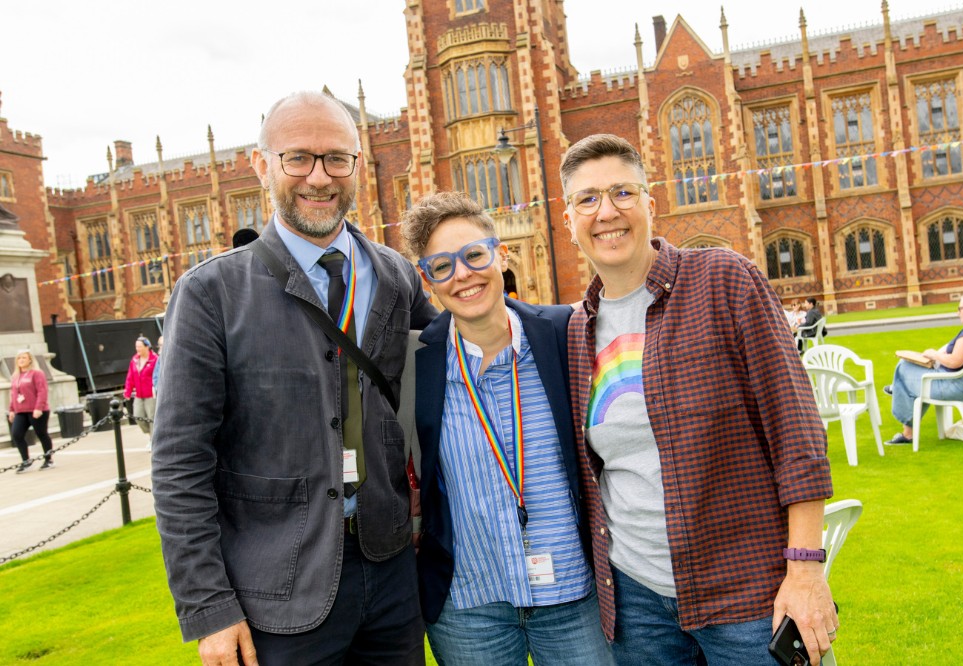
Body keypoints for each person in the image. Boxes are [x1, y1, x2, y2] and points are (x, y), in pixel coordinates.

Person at [152, 90, 437, 666]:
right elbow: (180, 461)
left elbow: (451, 379)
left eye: (336, 158)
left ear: (358, 163)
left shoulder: (397, 276)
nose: (319, 176)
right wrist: (210, 607)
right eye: (298, 158)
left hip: (391, 577)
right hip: (275, 593)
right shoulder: (211, 293)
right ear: (262, 166)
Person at [559, 134, 837, 666]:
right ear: (569, 219)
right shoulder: (577, 330)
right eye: (588, 199)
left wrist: (804, 570)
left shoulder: (723, 280)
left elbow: (797, 434)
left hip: (747, 592)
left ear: (650, 203)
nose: (607, 212)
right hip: (637, 602)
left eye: (623, 192)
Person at [400, 192, 611, 665]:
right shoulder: (413, 363)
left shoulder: (565, 332)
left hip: (575, 596)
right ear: (427, 280)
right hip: (470, 608)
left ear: (501, 253)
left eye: (474, 255)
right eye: (442, 266)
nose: (462, 275)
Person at [884, 291, 963, 445]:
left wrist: (934, 354)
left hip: (954, 386)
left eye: (960, 308)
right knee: (913, 377)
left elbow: (955, 362)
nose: (957, 312)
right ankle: (898, 395)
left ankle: (907, 431)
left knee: (903, 366)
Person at [7, 349, 55, 472]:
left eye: (24, 358)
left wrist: (38, 407)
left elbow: (42, 391)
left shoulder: (37, 373)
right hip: (21, 411)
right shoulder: (16, 376)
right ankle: (26, 461)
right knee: (17, 434)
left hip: (37, 410)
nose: (21, 360)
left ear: (30, 360)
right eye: (19, 358)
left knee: (41, 434)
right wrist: (12, 410)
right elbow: (13, 394)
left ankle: (48, 459)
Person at [123, 337, 158, 442]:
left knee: (152, 417)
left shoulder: (155, 359)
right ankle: (150, 434)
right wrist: (127, 391)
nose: (137, 348)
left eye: (140, 346)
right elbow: (130, 377)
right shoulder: (134, 360)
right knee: (138, 416)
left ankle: (153, 440)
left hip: (151, 394)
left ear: (147, 347)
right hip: (139, 394)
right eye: (136, 346)